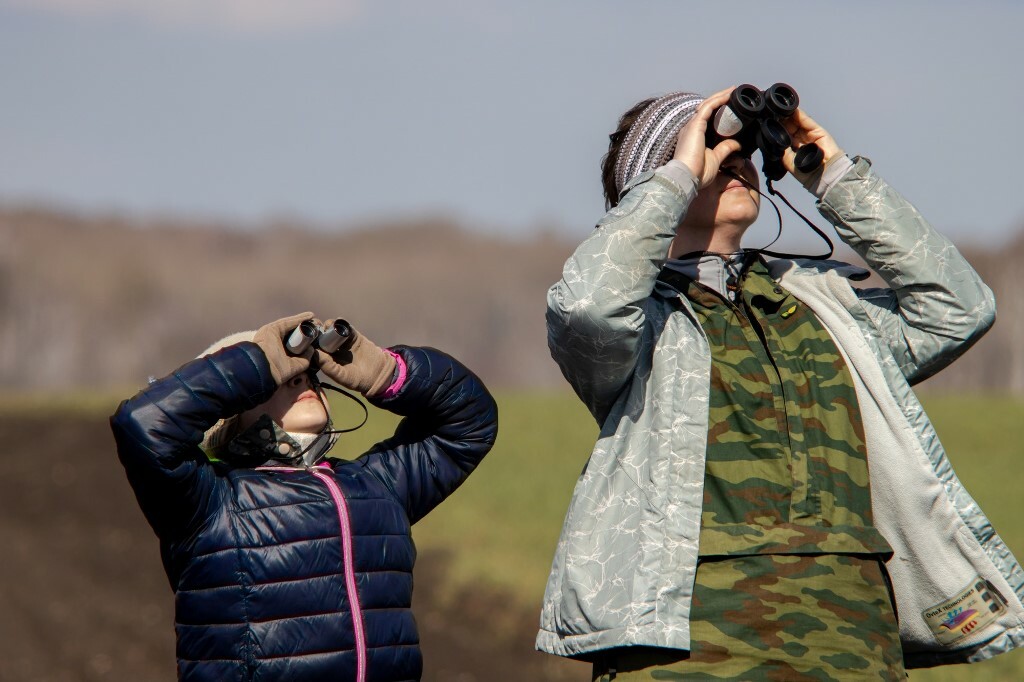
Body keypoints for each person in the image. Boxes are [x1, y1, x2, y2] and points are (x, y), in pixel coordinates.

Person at [537, 86, 1024, 679]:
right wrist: (677, 178)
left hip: (853, 643)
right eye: (710, 150)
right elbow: (588, 306)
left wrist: (835, 176)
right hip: (683, 648)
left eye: (740, 148)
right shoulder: (642, 329)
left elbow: (958, 309)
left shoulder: (825, 307)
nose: (733, 159)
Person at [110, 312, 498, 682]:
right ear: (231, 413)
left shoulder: (378, 486)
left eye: (308, 373)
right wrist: (261, 362)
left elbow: (470, 421)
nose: (300, 379)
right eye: (280, 379)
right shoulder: (209, 502)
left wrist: (384, 372)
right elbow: (143, 425)